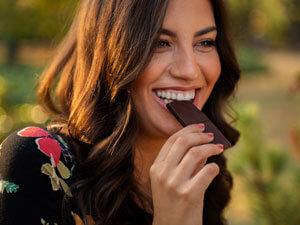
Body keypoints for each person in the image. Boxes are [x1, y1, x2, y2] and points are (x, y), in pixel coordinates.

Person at [0, 0, 241, 224]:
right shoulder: (38, 163)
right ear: (108, 51)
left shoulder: (202, 173)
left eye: (205, 42)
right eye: (160, 43)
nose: (189, 70)